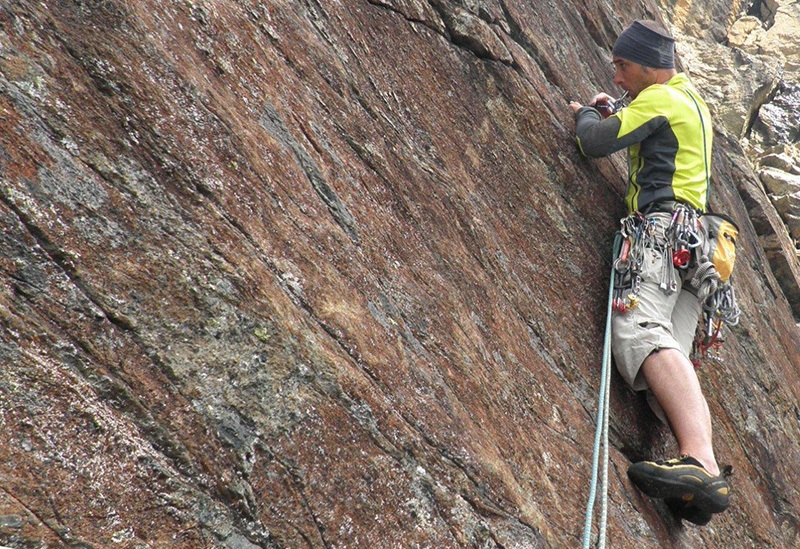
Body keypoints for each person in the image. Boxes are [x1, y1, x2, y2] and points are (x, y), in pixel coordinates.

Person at [569, 20, 730, 525]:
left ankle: (700, 462)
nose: (617, 78)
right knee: (672, 351)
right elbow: (652, 138)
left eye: (622, 67)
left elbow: (595, 143)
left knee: (641, 330)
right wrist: (617, 106)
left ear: (649, 67)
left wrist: (587, 115)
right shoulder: (690, 102)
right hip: (700, 250)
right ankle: (699, 480)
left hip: (662, 235)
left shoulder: (659, 99)